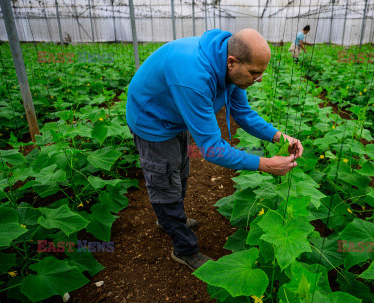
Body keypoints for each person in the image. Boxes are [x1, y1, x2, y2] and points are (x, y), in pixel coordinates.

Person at [126, 28, 303, 271]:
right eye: (255, 73)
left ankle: (170, 218)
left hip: (176, 115)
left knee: (180, 170)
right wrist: (265, 164)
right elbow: (211, 149)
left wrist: (279, 136)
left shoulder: (231, 67)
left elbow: (243, 113)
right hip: (151, 120)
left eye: (262, 72)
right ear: (232, 62)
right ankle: (184, 248)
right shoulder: (194, 77)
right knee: (165, 181)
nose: (259, 79)